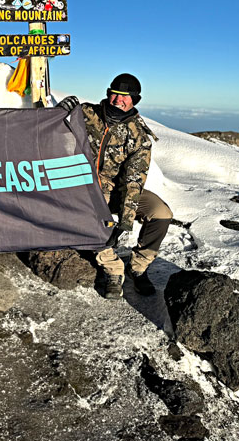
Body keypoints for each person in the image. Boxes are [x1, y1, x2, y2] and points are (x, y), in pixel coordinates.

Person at [59, 73, 173, 299]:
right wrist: (61, 109)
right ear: (108, 93)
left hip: (120, 192)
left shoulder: (139, 135)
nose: (118, 100)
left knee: (161, 213)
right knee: (91, 215)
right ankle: (113, 270)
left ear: (134, 100)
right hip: (84, 188)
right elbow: (49, 127)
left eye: (125, 96)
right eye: (115, 94)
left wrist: (125, 222)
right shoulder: (85, 113)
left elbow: (134, 181)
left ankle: (138, 268)